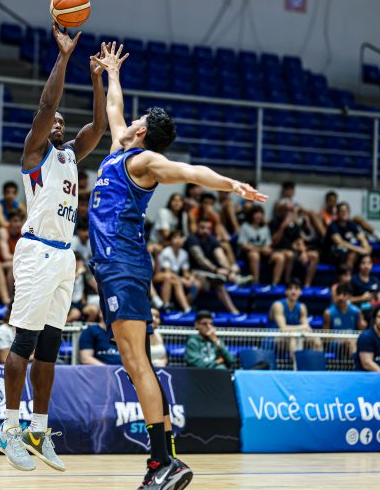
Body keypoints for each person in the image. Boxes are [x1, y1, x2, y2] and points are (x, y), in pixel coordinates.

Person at [88, 41, 267, 489]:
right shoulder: (119, 152)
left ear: (143, 132)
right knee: (139, 363)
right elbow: (114, 108)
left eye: (137, 120)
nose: (129, 120)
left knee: (137, 363)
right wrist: (112, 73)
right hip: (116, 267)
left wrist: (231, 184)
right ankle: (167, 460)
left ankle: (161, 462)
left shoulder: (144, 161)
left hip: (123, 264)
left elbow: (190, 171)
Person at [0, 23, 107, 474]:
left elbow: (99, 126)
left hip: (64, 256)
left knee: (49, 348)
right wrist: (64, 57)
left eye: (62, 121)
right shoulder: (34, 153)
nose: (58, 122)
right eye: (53, 121)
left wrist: (97, 79)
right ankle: (8, 428)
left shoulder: (70, 156)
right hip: (37, 251)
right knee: (24, 341)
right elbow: (47, 104)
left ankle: (38, 430)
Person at [185, 218, 241, 313]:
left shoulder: (212, 239)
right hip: (194, 272)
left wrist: (229, 270)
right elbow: (200, 259)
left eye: (208, 228)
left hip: (210, 274)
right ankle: (185, 309)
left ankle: (234, 312)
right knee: (196, 285)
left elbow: (221, 257)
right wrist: (216, 270)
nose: (205, 231)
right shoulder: (192, 238)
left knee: (219, 284)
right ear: (197, 227)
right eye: (202, 227)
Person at [270, 199, 319, 287]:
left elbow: (299, 240)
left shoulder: (294, 225)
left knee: (314, 255)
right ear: (280, 211)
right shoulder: (274, 222)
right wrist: (283, 226)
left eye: (291, 211)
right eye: (286, 210)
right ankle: (284, 281)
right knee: (289, 255)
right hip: (278, 250)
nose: (288, 213)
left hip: (293, 251)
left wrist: (303, 252)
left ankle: (307, 285)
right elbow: (274, 241)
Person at [238, 205, 286, 285]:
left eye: (261, 213)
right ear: (252, 215)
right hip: (249, 253)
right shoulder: (245, 226)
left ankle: (275, 284)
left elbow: (268, 244)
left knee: (280, 257)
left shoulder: (265, 228)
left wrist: (267, 250)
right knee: (255, 255)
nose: (259, 215)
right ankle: (256, 282)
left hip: (264, 254)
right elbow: (243, 245)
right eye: (257, 213)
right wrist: (259, 249)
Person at [268, 279, 322, 352]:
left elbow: (307, 328)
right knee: (293, 339)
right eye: (290, 288)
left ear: (300, 292)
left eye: (296, 288)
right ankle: (296, 360)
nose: (293, 292)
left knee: (316, 339)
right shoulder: (278, 305)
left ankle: (318, 359)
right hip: (273, 337)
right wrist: (302, 327)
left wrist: (307, 330)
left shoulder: (302, 307)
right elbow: (283, 328)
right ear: (286, 292)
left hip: (293, 335)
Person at [154, 230, 196, 312]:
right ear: (170, 241)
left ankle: (185, 307)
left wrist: (190, 277)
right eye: (175, 238)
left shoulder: (184, 253)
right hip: (158, 275)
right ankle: (169, 305)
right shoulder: (166, 252)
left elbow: (185, 272)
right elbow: (167, 272)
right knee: (170, 277)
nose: (178, 240)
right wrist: (183, 280)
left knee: (194, 283)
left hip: (173, 276)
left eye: (180, 237)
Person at [323, 202, 371, 268]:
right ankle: (346, 274)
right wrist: (359, 250)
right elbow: (340, 242)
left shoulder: (351, 224)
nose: (344, 213)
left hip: (346, 252)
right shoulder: (333, 225)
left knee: (364, 254)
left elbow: (362, 238)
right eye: (342, 211)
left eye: (346, 211)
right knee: (352, 253)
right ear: (337, 213)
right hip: (331, 253)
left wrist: (366, 247)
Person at [0, 208, 23, 301]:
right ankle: (7, 299)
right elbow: (5, 256)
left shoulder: (22, 233)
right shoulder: (3, 232)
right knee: (12, 265)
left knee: (14, 265)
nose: (18, 224)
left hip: (11, 262)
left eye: (20, 221)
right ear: (9, 221)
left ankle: (14, 298)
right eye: (15, 221)